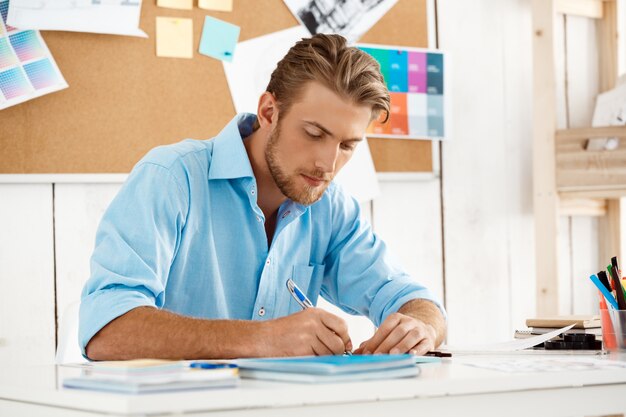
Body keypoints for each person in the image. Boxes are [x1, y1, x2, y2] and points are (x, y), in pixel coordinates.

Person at [80, 33, 446, 360]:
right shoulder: (172, 178)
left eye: (347, 145)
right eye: (314, 133)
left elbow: (411, 299)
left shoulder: (331, 208)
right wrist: (265, 339)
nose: (327, 164)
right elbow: (107, 329)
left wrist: (421, 328)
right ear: (269, 111)